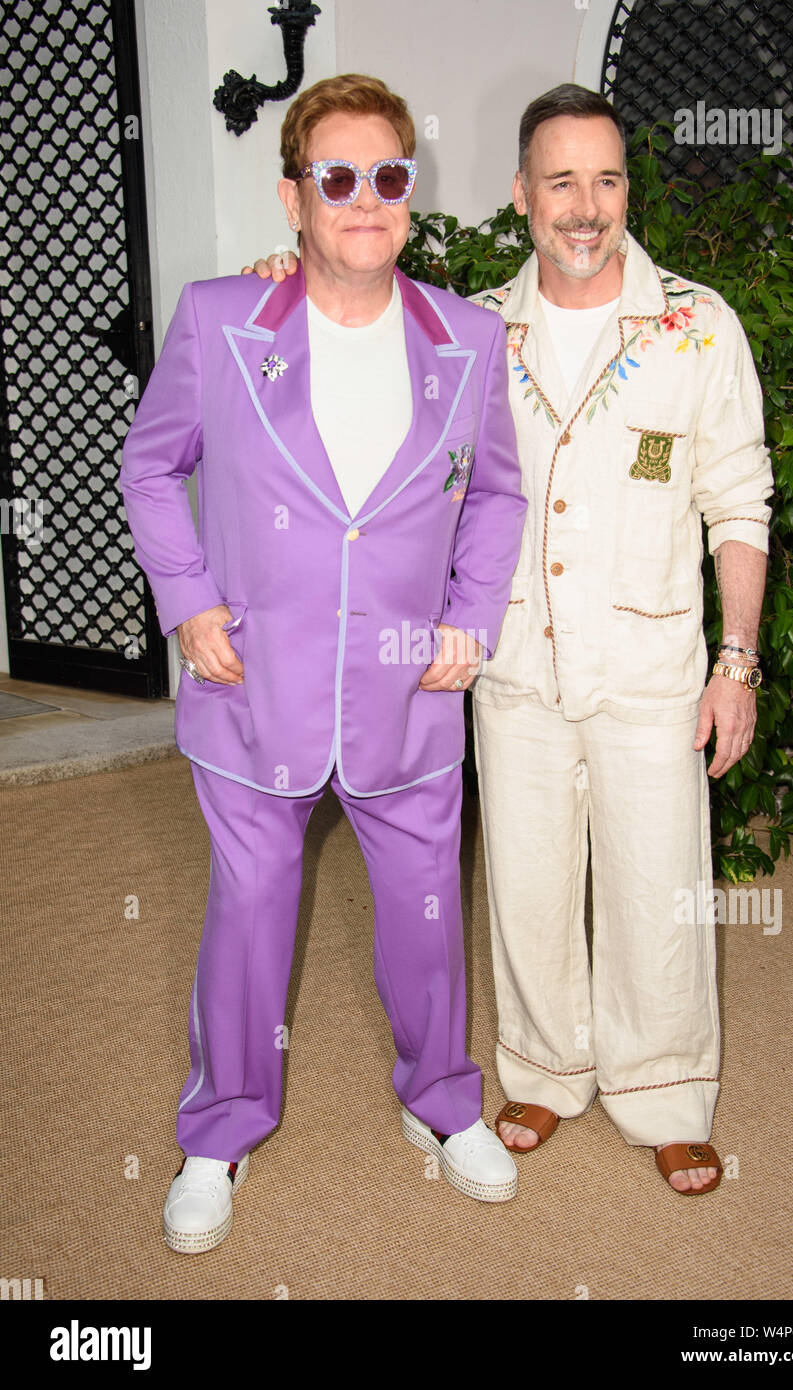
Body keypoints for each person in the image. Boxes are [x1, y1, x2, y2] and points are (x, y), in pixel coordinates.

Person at [248, 83, 773, 1196]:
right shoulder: (470, 328)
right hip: (512, 667)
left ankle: (664, 1094)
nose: (585, 206)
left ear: (628, 190)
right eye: (561, 181)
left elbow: (739, 504)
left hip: (651, 668)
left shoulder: (696, 323)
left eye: (607, 179)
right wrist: (278, 282)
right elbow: (349, 344)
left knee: (654, 886)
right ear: (522, 196)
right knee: (525, 883)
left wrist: (736, 661)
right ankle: (542, 1070)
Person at [121, 73, 527, 1254]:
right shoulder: (216, 319)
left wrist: (469, 615)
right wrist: (187, 604)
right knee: (248, 910)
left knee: (422, 908)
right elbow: (153, 467)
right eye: (336, 177)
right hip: (254, 679)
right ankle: (219, 1129)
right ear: (294, 195)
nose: (364, 199)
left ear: (410, 194)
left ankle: (443, 1102)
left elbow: (494, 493)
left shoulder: (469, 335)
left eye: (387, 177)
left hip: (411, 685)